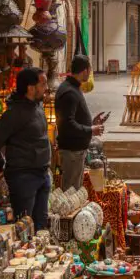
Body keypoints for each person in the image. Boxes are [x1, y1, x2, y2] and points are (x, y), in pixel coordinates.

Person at [0, 67, 52, 230]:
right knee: (25, 229)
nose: (46, 88)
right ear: (30, 88)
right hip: (24, 179)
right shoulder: (14, 114)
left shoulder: (37, 106)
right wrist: (2, 165)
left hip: (42, 175)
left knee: (41, 227)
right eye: (43, 84)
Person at [55, 55, 107, 190]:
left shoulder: (73, 87)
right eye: (89, 71)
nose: (89, 74)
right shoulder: (69, 92)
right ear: (85, 71)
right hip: (72, 151)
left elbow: (73, 119)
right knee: (71, 192)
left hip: (76, 151)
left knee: (74, 190)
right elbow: (67, 125)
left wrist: (91, 123)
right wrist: (91, 130)